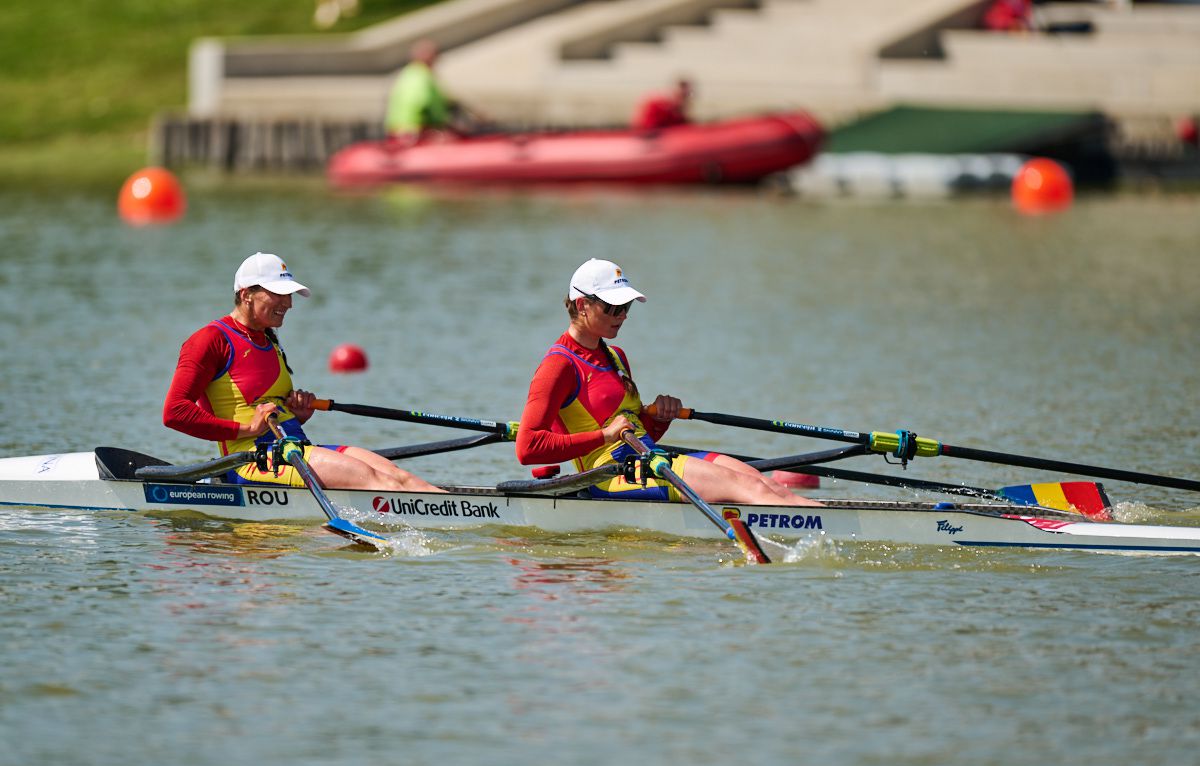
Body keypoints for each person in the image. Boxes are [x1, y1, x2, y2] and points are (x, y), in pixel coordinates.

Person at [515, 258, 820, 507]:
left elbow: (638, 432)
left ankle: (830, 521)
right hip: (609, 476)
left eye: (627, 307)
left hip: (648, 460)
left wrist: (657, 418)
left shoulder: (616, 355)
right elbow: (528, 448)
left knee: (761, 481)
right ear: (582, 305)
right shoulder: (558, 366)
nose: (622, 316)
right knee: (744, 487)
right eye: (613, 307)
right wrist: (605, 436)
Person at [163, 252, 443, 493]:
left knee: (400, 477)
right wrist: (247, 429)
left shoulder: (269, 338)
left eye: (290, 295)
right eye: (278, 294)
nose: (289, 304)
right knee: (374, 481)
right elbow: (175, 412)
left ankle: (477, 522)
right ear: (246, 294)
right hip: (252, 462)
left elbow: (268, 405)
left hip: (293, 449)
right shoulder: (209, 340)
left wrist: (297, 415)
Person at [385, 39, 458, 139]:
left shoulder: (407, 73)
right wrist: (442, 121)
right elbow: (430, 104)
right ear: (430, 57)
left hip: (395, 130)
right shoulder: (424, 76)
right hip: (417, 132)